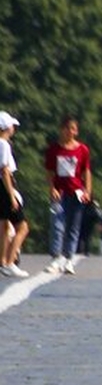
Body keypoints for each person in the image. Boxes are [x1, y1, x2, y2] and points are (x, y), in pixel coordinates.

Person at [44, 115, 93, 275]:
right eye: (68, 128)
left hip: (76, 192)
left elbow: (86, 171)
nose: (71, 131)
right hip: (60, 193)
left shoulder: (82, 150)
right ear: (62, 129)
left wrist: (88, 190)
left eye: (74, 129)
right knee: (57, 225)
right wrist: (52, 188)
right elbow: (50, 171)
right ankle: (55, 259)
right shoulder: (54, 149)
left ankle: (69, 259)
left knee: (73, 227)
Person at [0, 112, 30, 278]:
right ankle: (10, 262)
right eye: (11, 126)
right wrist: (12, 195)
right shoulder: (4, 144)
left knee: (4, 226)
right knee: (22, 227)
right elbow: (4, 170)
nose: (13, 129)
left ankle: (3, 262)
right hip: (4, 187)